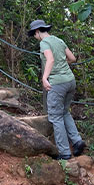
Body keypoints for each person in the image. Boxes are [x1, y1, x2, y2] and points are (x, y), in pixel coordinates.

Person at [27, 19, 86, 160]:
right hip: (70, 81)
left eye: (34, 35)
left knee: (55, 116)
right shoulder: (59, 40)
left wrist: (45, 78)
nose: (35, 38)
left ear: (37, 32)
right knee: (65, 112)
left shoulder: (44, 43)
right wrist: (62, 65)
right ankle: (77, 141)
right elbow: (72, 58)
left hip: (57, 84)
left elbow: (50, 59)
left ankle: (64, 152)